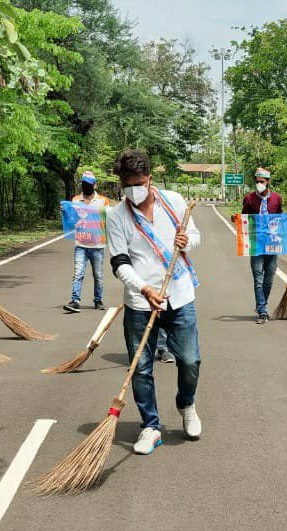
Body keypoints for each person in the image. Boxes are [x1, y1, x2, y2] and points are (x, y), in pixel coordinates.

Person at [106, 149, 202, 455]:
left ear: (149, 179)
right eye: (127, 185)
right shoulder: (116, 216)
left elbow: (195, 235)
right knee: (141, 368)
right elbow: (119, 262)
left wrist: (187, 241)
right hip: (140, 301)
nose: (133, 190)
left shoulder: (173, 202)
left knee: (190, 360)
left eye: (139, 183)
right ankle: (151, 426)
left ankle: (186, 404)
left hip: (179, 295)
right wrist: (144, 289)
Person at [240, 168, 287, 324]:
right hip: (256, 243)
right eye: (257, 181)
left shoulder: (277, 199)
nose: (259, 184)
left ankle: (262, 304)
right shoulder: (249, 198)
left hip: (272, 243)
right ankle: (262, 310)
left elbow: (280, 218)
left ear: (268, 182)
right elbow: (244, 218)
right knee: (258, 277)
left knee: (269, 278)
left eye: (262, 181)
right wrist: (236, 219)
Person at [64, 171, 110, 313]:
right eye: (84, 184)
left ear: (95, 185)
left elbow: (109, 219)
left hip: (97, 245)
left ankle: (98, 300)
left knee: (98, 275)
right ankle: (75, 301)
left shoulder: (103, 201)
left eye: (89, 184)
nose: (86, 186)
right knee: (78, 273)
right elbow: (72, 219)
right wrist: (65, 212)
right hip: (81, 244)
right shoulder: (76, 200)